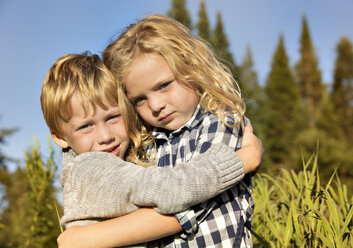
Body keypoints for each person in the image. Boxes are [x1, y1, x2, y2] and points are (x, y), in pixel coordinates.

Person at [41, 52, 263, 247]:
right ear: (60, 137)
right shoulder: (91, 169)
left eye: (112, 117)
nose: (105, 136)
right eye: (86, 126)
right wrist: (243, 161)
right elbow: (171, 189)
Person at [102, 14, 257, 247]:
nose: (155, 106)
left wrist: (94, 237)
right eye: (140, 100)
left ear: (191, 67)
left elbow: (190, 201)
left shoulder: (220, 121)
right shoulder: (147, 147)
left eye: (164, 86)